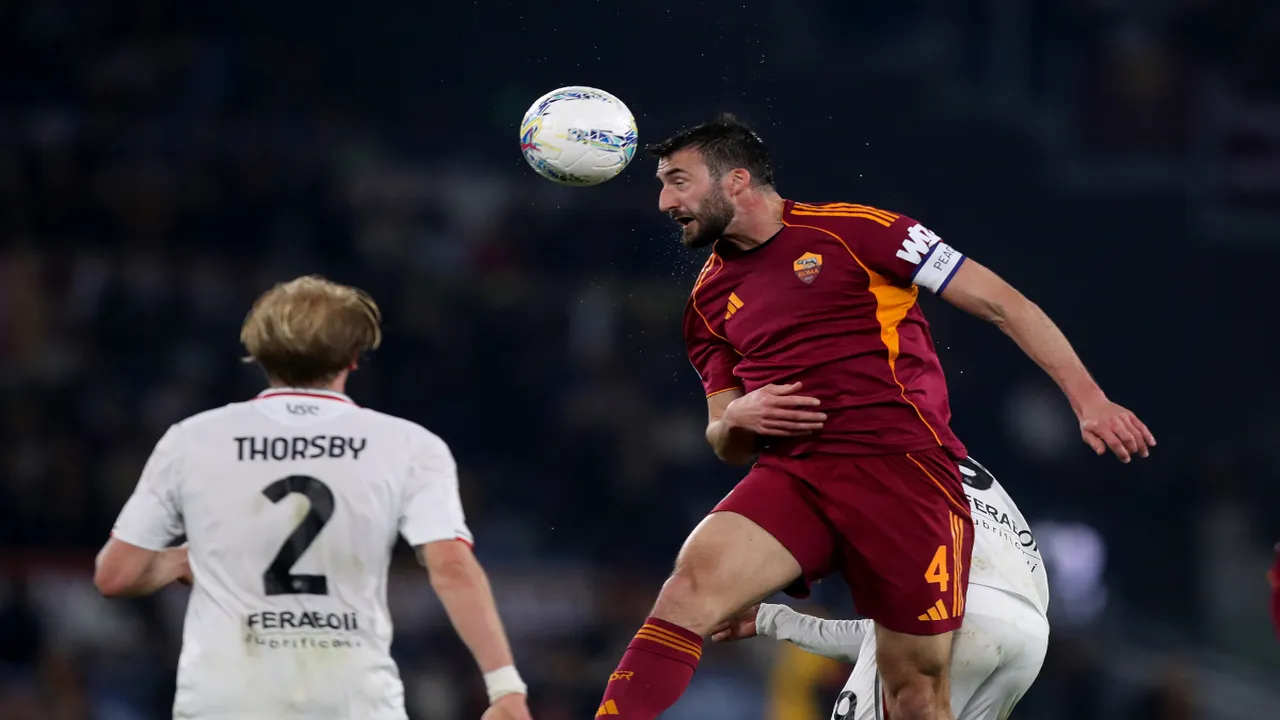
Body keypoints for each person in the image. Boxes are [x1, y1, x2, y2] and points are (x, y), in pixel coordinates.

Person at [592, 114, 1154, 720]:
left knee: (912, 689)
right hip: (797, 477)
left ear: (736, 181)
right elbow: (723, 438)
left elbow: (1002, 303)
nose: (663, 201)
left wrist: (1088, 399)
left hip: (904, 474)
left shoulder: (858, 232)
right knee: (688, 590)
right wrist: (738, 419)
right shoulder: (706, 302)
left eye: (678, 181)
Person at [93, 276, 532, 720]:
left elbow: (115, 575)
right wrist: (505, 688)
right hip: (351, 700)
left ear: (258, 353)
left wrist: (182, 561)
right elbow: (452, 567)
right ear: (353, 358)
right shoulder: (409, 445)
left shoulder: (192, 439)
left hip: (226, 700)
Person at [711, 456, 1050, 720]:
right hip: (1030, 636)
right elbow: (891, 639)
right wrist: (772, 620)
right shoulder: (972, 471)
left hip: (958, 609)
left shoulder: (869, 444)